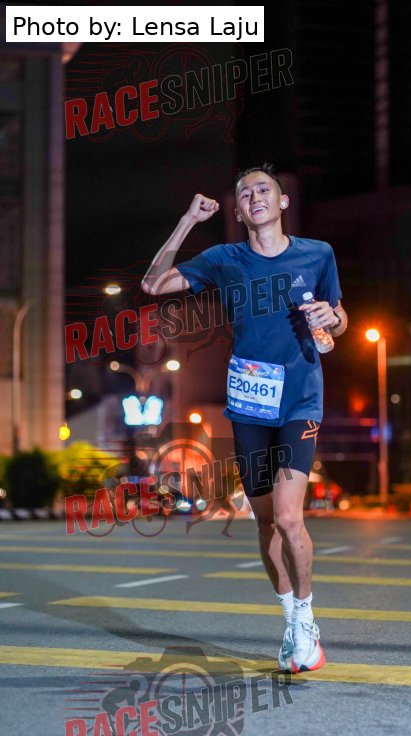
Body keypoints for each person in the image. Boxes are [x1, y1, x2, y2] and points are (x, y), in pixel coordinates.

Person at [141, 163, 348, 672]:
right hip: (251, 403)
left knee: (288, 516)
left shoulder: (318, 253)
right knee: (265, 522)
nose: (255, 196)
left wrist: (334, 318)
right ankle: (289, 618)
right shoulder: (223, 258)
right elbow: (153, 284)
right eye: (245, 193)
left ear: (282, 202)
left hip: (300, 400)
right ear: (237, 211)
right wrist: (188, 221)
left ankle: (306, 623)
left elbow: (339, 319)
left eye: (264, 189)